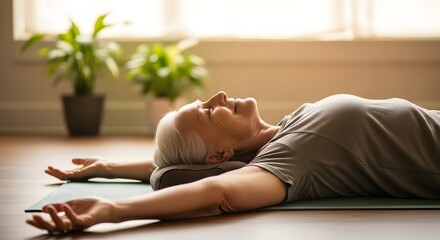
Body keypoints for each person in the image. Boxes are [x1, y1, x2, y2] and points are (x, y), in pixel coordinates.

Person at [27, 92, 440, 234]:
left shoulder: (289, 128)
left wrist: (108, 168)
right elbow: (217, 189)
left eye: (204, 101)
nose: (219, 96)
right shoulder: (289, 159)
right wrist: (113, 210)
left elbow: (179, 169)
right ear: (219, 155)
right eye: (208, 113)